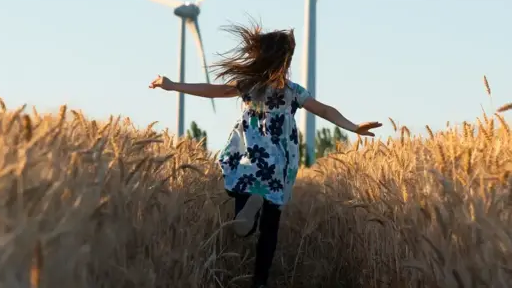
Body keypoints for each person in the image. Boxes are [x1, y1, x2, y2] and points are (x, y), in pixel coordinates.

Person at [148, 22, 381, 288]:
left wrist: (173, 85)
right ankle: (260, 281)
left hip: (249, 154)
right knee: (271, 227)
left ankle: (248, 210)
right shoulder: (294, 91)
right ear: (286, 61)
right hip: (278, 162)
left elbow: (211, 89)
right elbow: (325, 110)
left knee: (242, 216)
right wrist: (353, 127)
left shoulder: (249, 85)